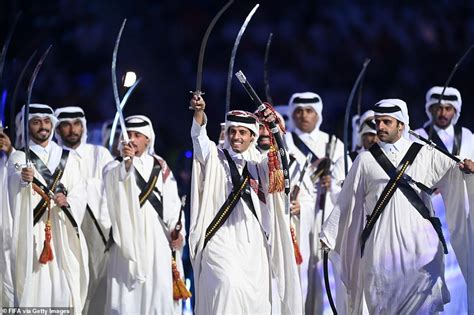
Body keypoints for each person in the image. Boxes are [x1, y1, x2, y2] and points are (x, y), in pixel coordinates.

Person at [321, 99, 474, 314]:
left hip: (422, 251)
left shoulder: (425, 153)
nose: (380, 127)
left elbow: (454, 172)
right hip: (381, 253)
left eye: (386, 122)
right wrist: (330, 233)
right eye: (377, 122)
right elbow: (348, 201)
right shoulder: (364, 160)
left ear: (401, 125)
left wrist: (466, 169)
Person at [188, 95, 302, 314]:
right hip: (219, 239)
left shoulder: (260, 163)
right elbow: (199, 138)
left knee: (255, 300)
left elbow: (279, 175)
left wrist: (273, 129)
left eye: (242, 132)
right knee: (226, 285)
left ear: (252, 136)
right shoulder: (214, 155)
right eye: (232, 131)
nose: (236, 137)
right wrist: (199, 112)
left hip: (253, 244)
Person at [7, 103, 89, 312]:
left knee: (64, 287)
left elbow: (80, 190)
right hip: (33, 232)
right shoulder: (18, 157)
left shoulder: (67, 157)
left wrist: (68, 202)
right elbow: (11, 192)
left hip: (62, 230)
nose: (42, 126)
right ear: (28, 127)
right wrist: (23, 183)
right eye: (36, 122)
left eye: (46, 122)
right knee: (36, 287)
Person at [103, 115, 185, 314]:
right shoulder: (113, 167)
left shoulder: (161, 166)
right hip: (126, 243)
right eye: (127, 135)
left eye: (137, 135)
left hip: (158, 240)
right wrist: (127, 164)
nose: (131, 139)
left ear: (147, 139)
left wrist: (177, 230)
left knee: (159, 293)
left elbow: (173, 203)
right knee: (126, 299)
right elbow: (117, 187)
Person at [413, 86, 474, 313]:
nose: (443, 112)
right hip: (428, 216)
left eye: (448, 108)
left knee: (462, 269)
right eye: (438, 108)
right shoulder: (417, 136)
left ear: (456, 111)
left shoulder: (467, 136)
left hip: (462, 215)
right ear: (430, 109)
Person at [284, 92, 345, 313]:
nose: (303, 116)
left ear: (317, 114)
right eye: (299, 111)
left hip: (325, 217)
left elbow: (345, 184)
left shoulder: (334, 144)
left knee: (324, 276)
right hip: (293, 219)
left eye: (309, 111)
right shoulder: (284, 141)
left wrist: (333, 184)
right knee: (296, 276)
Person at [54, 106, 113, 314]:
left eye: (77, 124)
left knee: (100, 290)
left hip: (100, 231)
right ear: (58, 129)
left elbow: (113, 189)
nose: (72, 130)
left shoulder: (99, 154)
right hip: (67, 229)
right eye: (66, 125)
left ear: (83, 126)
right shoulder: (54, 157)